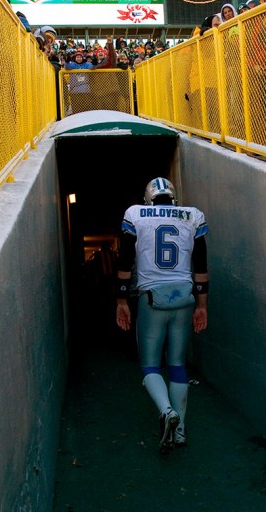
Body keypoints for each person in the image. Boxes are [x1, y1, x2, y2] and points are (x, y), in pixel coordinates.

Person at [116, 178, 209, 453]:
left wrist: (120, 299)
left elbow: (124, 261)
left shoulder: (135, 214)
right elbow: (201, 267)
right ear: (173, 196)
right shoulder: (193, 215)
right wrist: (202, 305)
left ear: (148, 198)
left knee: (150, 365)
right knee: (177, 363)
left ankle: (167, 411)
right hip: (184, 296)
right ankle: (180, 433)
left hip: (151, 298)